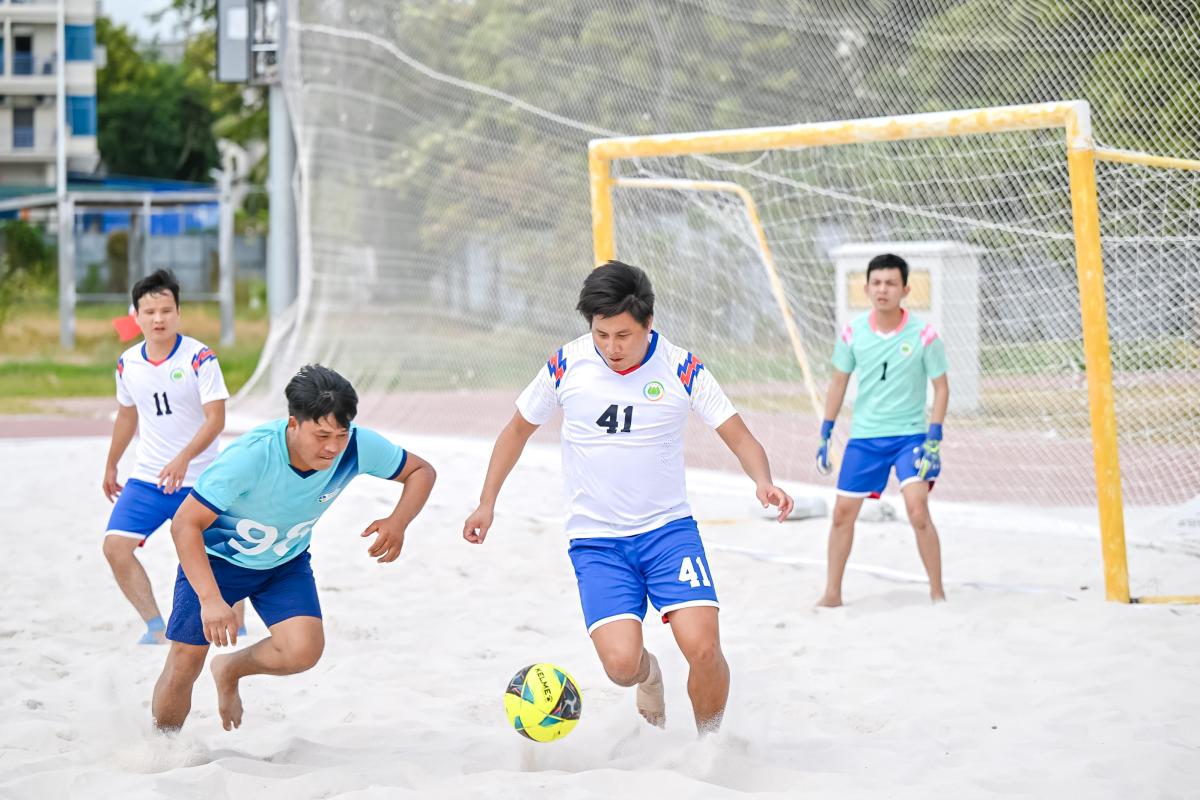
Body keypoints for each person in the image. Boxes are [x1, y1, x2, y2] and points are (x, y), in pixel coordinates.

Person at [463, 260, 793, 733]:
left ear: (648, 323)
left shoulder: (681, 367)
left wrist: (763, 480)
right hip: (597, 541)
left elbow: (738, 435)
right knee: (621, 667)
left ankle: (709, 747)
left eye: (623, 335)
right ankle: (650, 675)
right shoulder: (566, 364)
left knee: (703, 649)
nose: (612, 348)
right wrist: (487, 501)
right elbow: (515, 431)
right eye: (601, 334)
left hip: (668, 533)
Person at [151, 364, 436, 731]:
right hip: (217, 562)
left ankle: (230, 669)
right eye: (321, 435)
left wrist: (399, 521)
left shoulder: (356, 446)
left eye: (341, 434)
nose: (332, 447)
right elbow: (184, 525)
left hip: (284, 562)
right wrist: (210, 599)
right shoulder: (251, 456)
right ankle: (163, 747)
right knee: (185, 661)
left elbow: (421, 471)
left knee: (303, 651)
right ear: (293, 424)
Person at [101, 268, 246, 644]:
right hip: (149, 478)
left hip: (201, 479)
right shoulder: (127, 363)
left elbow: (216, 419)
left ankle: (237, 622)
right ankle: (154, 627)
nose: (158, 319)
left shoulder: (200, 357)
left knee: (225, 553)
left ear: (178, 312)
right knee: (115, 547)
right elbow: (127, 415)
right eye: (149, 312)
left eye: (166, 310)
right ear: (136, 316)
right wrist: (111, 463)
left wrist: (184, 458)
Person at [815, 253, 949, 606]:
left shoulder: (924, 335)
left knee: (918, 510)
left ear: (905, 289)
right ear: (866, 288)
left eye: (890, 283)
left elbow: (941, 388)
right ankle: (832, 594)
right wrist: (826, 431)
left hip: (911, 436)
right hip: (865, 438)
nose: (882, 289)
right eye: (876, 283)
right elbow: (838, 382)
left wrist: (934, 437)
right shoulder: (853, 333)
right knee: (842, 514)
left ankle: (937, 592)